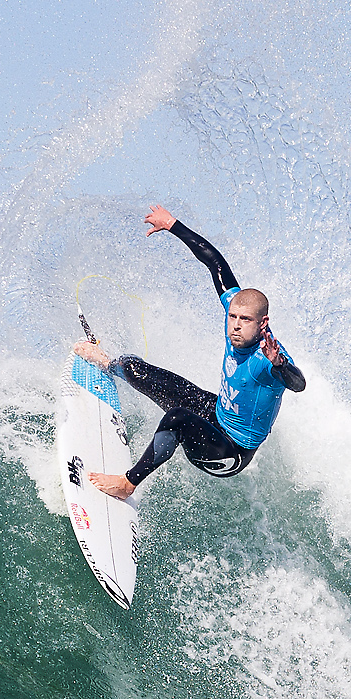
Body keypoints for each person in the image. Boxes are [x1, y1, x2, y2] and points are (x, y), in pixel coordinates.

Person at [74, 206, 305, 499]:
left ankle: (127, 484)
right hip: (217, 414)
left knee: (178, 418)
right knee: (134, 368)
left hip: (231, 452)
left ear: (263, 323)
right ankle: (107, 363)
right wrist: (172, 224)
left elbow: (299, 384)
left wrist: (281, 365)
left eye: (244, 321)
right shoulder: (235, 311)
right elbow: (215, 262)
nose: (235, 326)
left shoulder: (268, 358)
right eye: (233, 317)